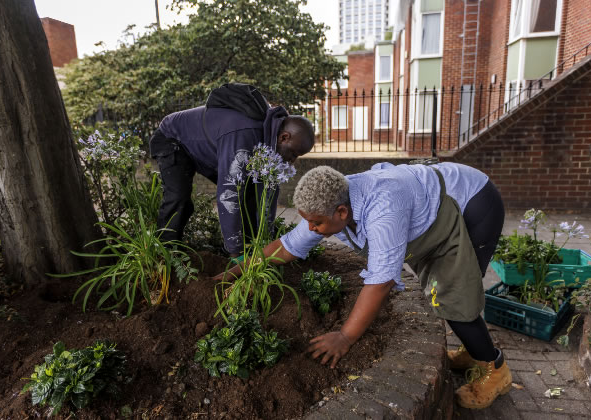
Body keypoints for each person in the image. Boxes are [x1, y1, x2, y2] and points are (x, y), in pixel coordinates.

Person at [215, 161, 510, 410]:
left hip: (472, 204)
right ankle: (474, 350)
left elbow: (381, 282)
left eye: (316, 223)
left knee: (455, 297)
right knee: (446, 293)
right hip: (433, 206)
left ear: (341, 212)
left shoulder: (384, 212)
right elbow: (289, 245)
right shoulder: (333, 202)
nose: (312, 229)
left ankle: (495, 369)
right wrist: (237, 272)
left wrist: (345, 337)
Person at [149, 104, 315, 257]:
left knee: (250, 189)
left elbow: (268, 190)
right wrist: (236, 253)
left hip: (209, 147)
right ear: (284, 137)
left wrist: (266, 237)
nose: (292, 161)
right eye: (293, 154)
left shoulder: (270, 133)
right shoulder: (244, 133)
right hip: (173, 139)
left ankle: (247, 245)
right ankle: (165, 253)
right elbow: (229, 194)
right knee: (179, 197)